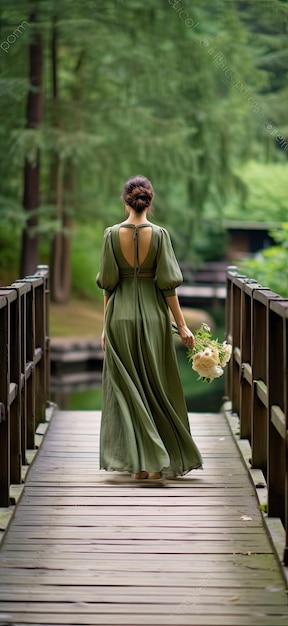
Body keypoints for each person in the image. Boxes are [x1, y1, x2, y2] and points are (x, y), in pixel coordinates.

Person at [96, 175, 203, 480]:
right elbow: (168, 287)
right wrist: (182, 326)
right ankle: (156, 462)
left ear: (124, 199)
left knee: (127, 389)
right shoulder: (160, 235)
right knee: (156, 387)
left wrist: (105, 327)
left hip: (119, 317)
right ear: (150, 200)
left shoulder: (110, 235)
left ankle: (139, 464)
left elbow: (108, 284)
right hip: (154, 318)